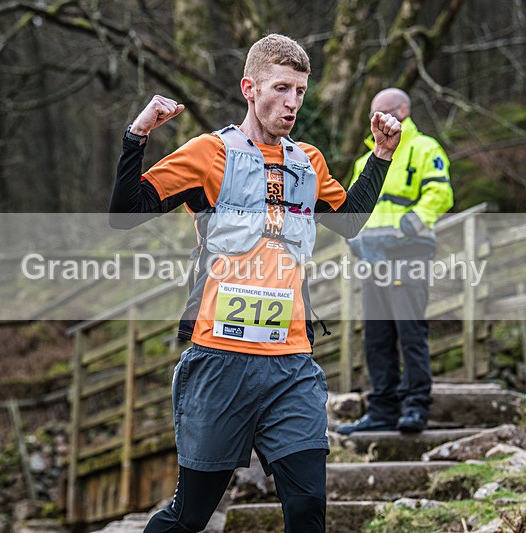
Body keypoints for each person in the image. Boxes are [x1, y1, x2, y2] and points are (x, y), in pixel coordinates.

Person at [109, 34, 401, 533]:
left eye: (301, 92)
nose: (292, 103)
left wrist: (381, 155)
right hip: (219, 362)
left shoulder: (307, 162)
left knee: (308, 508)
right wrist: (137, 136)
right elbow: (125, 213)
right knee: (190, 517)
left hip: (290, 365)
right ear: (250, 88)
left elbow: (349, 221)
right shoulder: (208, 153)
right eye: (281, 88)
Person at [337, 88, 453, 435]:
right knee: (376, 335)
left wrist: (406, 227)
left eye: (386, 111)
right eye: (374, 113)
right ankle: (382, 409)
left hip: (408, 254)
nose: (380, 119)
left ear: (404, 109)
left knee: (409, 330)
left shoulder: (424, 148)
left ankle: (416, 406)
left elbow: (440, 193)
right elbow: (351, 209)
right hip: (374, 260)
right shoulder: (365, 160)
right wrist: (354, 241)